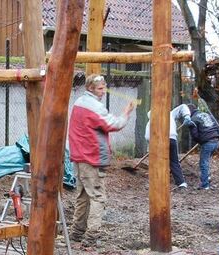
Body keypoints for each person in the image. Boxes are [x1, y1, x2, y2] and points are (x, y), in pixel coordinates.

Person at [68, 74, 135, 246]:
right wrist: (126, 113)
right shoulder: (95, 107)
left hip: (79, 156)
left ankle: (76, 234)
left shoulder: (79, 102)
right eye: (100, 88)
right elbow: (115, 124)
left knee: (83, 196)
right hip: (91, 157)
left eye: (104, 87)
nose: (103, 91)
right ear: (90, 88)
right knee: (98, 197)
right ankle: (91, 237)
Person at [145, 104, 193, 188]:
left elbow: (147, 136)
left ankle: (158, 183)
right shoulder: (169, 114)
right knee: (174, 161)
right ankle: (181, 183)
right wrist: (187, 116)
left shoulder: (151, 120)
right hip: (172, 139)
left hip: (159, 141)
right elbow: (183, 107)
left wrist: (151, 146)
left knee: (158, 162)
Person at [187, 103, 219, 189]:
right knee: (206, 161)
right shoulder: (207, 114)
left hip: (208, 143)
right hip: (216, 141)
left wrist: (200, 141)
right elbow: (217, 126)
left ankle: (205, 185)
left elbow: (195, 135)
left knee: (203, 163)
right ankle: (207, 177)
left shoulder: (193, 119)